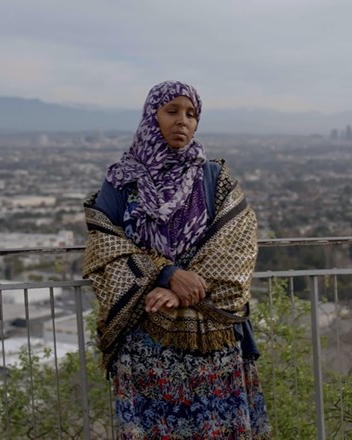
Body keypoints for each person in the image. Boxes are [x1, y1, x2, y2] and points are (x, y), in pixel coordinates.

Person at [83, 81, 270, 439]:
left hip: (211, 341)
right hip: (145, 344)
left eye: (191, 114)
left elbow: (237, 247)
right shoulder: (122, 182)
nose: (182, 120)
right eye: (172, 111)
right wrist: (167, 274)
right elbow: (104, 249)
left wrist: (180, 290)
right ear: (151, 116)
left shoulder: (215, 180)